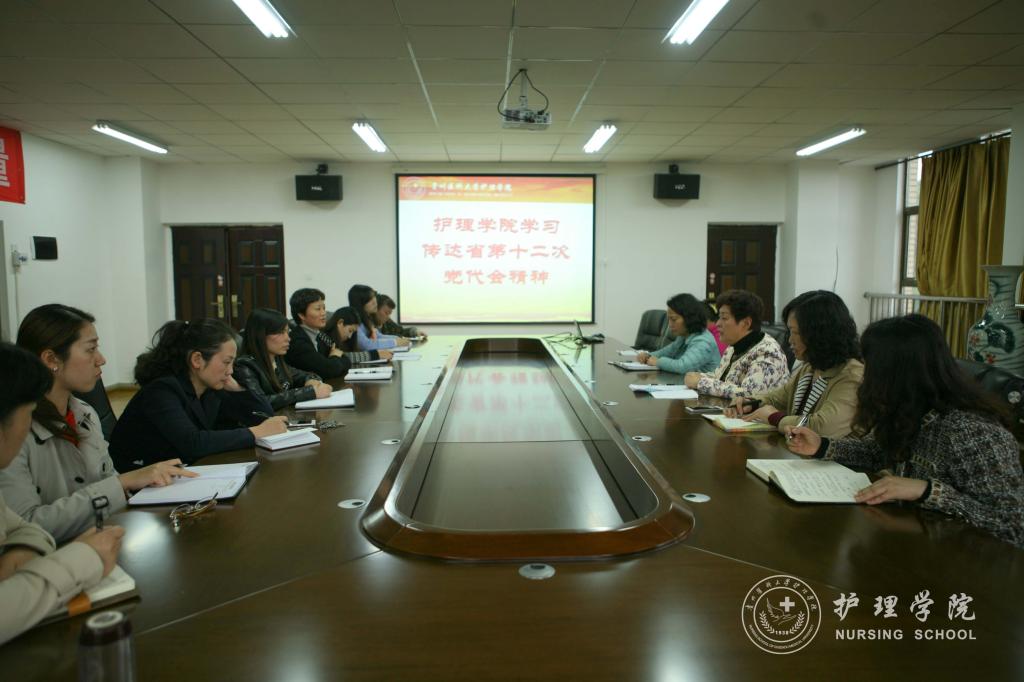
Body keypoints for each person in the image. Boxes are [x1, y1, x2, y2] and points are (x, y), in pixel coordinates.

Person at [786, 314, 1024, 548]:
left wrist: (926, 490)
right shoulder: (907, 409)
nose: (864, 377)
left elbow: (1013, 526)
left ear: (897, 373)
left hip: (961, 561)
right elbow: (876, 452)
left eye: (870, 368)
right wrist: (822, 446)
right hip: (915, 544)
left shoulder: (973, 432)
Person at [0, 304, 196, 543]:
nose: (101, 360)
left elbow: (107, 483)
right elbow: (24, 528)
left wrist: (143, 485)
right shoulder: (12, 431)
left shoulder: (85, 413)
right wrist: (122, 483)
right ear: (51, 359)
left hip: (101, 542)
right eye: (90, 349)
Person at [0, 342, 124, 645]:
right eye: (28, 413)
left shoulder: (84, 412)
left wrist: (21, 547)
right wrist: (84, 558)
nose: (101, 359)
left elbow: (21, 527)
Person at [109, 319, 287, 471]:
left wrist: (237, 389)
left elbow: (264, 416)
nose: (230, 371)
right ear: (197, 360)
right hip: (142, 481)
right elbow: (193, 443)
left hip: (184, 470)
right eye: (226, 362)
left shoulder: (209, 387)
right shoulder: (161, 390)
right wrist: (255, 432)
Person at [725, 291, 863, 438]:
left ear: (819, 334)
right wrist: (750, 403)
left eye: (795, 332)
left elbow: (823, 427)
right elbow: (776, 399)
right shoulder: (809, 368)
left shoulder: (853, 376)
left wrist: (775, 418)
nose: (790, 340)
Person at [684, 289, 789, 399]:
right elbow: (720, 378)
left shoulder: (768, 352)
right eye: (719, 317)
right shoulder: (733, 347)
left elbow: (749, 394)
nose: (718, 323)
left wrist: (701, 382)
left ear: (746, 323)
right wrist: (699, 376)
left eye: (724, 318)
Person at [234, 308, 332, 410]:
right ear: (260, 335)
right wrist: (309, 393)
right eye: (280, 332)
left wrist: (311, 381)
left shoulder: (276, 360)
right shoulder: (244, 366)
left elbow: (303, 375)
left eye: (287, 332)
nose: (288, 338)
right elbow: (260, 402)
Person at [284, 288, 390, 379]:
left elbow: (344, 359)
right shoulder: (297, 341)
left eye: (324, 308)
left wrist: (335, 359)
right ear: (302, 315)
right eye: (318, 309)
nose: (323, 313)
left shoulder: (318, 335)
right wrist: (335, 357)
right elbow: (328, 370)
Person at [635, 293, 720, 374]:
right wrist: (648, 355)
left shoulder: (703, 341)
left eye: (674, 319)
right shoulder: (684, 336)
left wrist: (658, 362)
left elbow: (683, 367)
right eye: (669, 319)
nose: (670, 324)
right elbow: (667, 352)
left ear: (689, 318)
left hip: (701, 384)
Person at [349, 284, 410, 352]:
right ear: (360, 303)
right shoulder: (353, 320)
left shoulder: (367, 320)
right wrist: (395, 342)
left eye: (374, 297)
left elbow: (379, 336)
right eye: (370, 299)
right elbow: (366, 345)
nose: (375, 302)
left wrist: (398, 339)